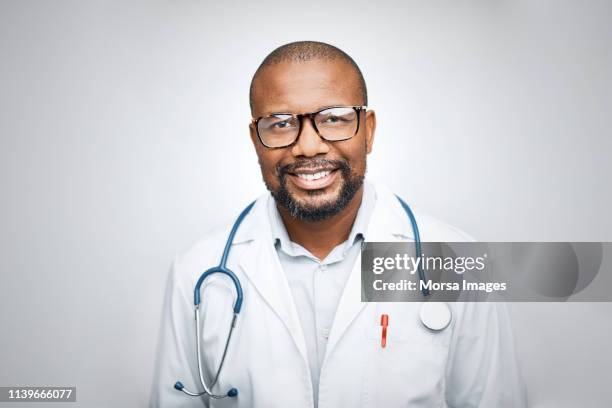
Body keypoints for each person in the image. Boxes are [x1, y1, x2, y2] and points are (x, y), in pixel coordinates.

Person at [150, 41, 526, 407]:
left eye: (333, 119)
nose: (309, 147)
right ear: (255, 140)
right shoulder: (197, 272)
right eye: (280, 124)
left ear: (369, 130)